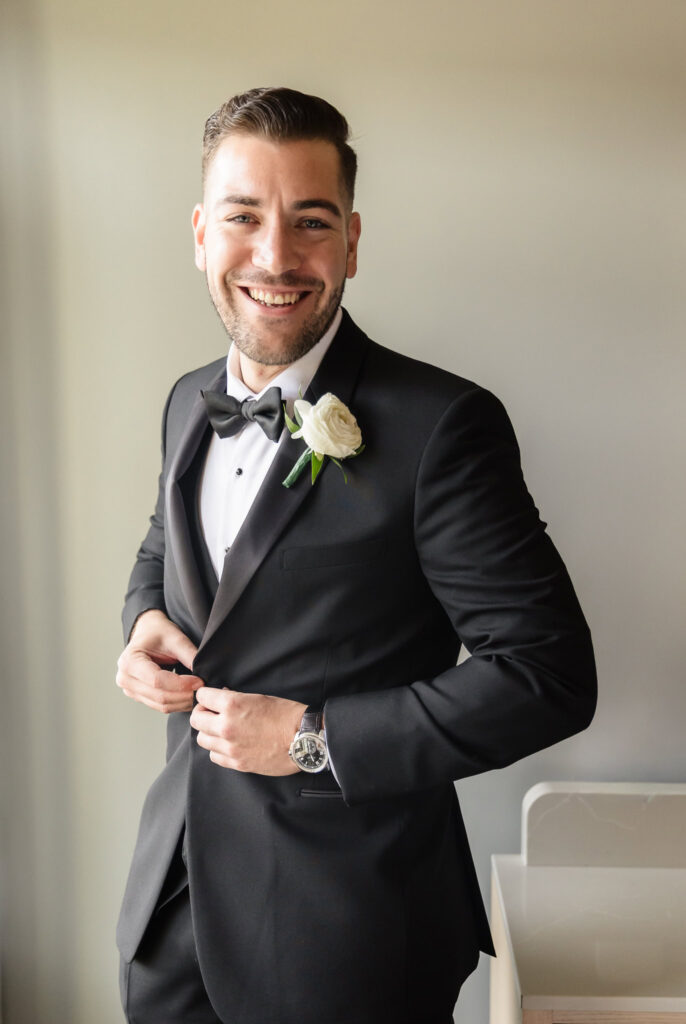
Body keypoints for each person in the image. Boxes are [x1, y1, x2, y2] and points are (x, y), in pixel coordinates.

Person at [115, 86, 596, 1024]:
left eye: (311, 221)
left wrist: (309, 738)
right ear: (202, 233)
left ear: (353, 240)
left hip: (350, 937)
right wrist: (141, 620)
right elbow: (163, 549)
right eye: (244, 217)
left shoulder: (443, 426)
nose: (275, 256)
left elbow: (548, 675)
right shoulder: (183, 401)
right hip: (170, 908)